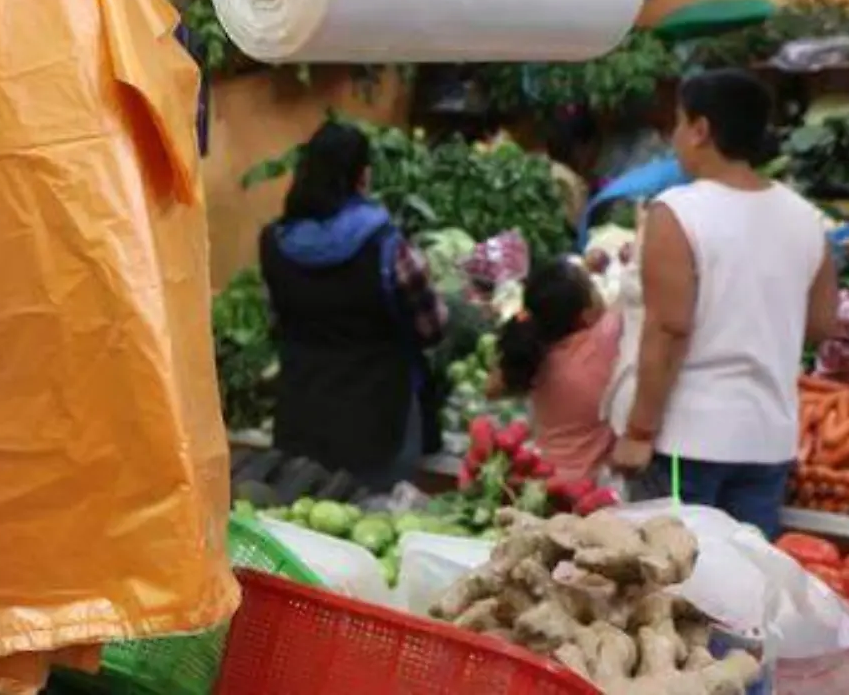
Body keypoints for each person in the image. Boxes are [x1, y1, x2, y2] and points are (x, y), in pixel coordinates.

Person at [610, 70, 838, 538]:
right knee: (744, 586)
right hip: (769, 440)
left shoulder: (677, 211)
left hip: (689, 439)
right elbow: (820, 324)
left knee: (674, 585)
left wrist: (638, 432)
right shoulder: (806, 218)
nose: (674, 138)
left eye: (677, 123)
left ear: (701, 130)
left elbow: (669, 328)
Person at [260, 121, 447, 489]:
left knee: (302, 519)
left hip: (301, 410)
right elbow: (433, 327)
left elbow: (276, 318)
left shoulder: (274, 242)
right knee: (371, 525)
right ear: (363, 177)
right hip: (377, 419)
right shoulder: (388, 246)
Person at [493, 258, 623, 483]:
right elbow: (629, 299)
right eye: (593, 288)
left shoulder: (533, 355)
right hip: (587, 488)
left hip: (541, 477)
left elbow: (492, 386)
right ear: (586, 314)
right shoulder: (603, 342)